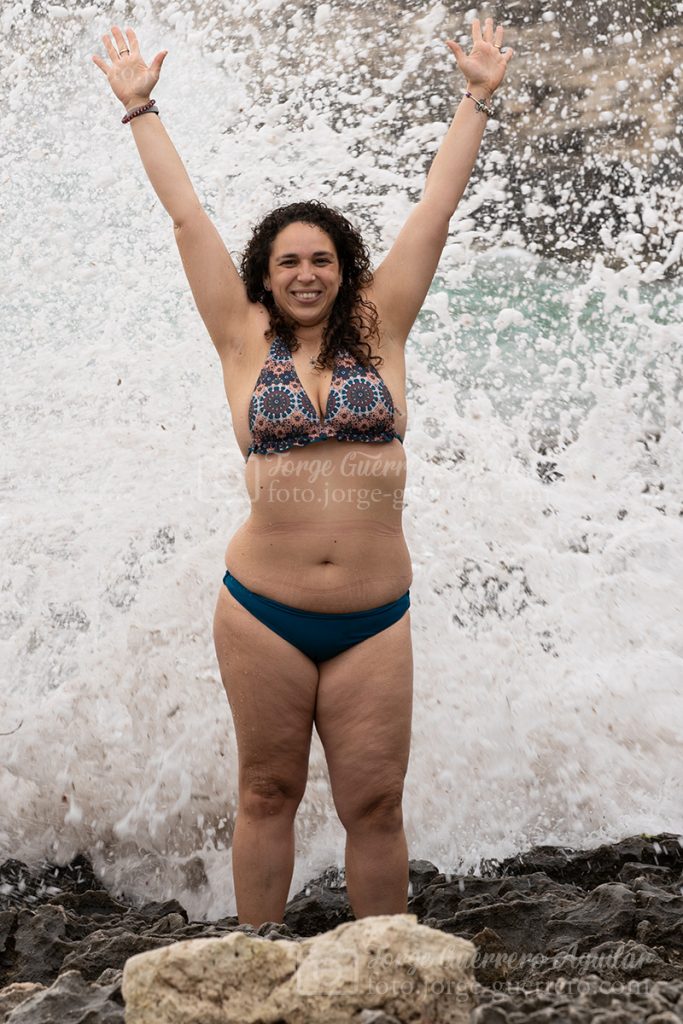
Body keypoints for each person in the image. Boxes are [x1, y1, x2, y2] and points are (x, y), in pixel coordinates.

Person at [92, 18, 514, 927]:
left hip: (374, 619)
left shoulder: (382, 324)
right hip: (262, 611)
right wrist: (140, 109)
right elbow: (188, 218)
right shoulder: (241, 336)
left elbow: (434, 212)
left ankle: (385, 963)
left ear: (344, 268)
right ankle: (255, 955)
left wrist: (475, 99)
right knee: (266, 792)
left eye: (321, 259)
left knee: (375, 805)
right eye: (288, 261)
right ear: (266, 273)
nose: (306, 273)